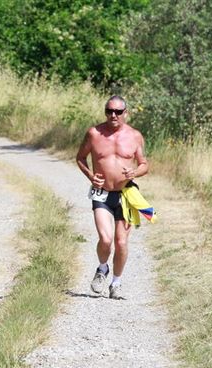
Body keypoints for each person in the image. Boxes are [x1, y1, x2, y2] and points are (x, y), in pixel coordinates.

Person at [75, 95, 149, 300]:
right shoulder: (94, 133)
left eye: (117, 111)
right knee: (106, 239)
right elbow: (80, 158)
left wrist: (135, 172)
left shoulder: (135, 136)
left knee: (121, 242)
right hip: (101, 194)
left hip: (125, 195)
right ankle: (102, 269)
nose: (113, 115)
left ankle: (116, 283)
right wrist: (91, 176)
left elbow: (144, 164)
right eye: (109, 111)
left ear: (126, 113)